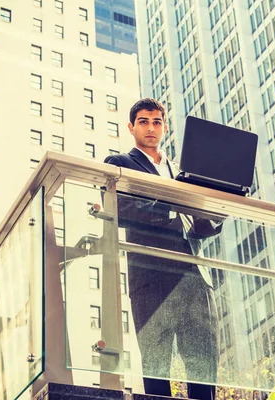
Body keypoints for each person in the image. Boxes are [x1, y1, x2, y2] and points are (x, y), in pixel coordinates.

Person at [104, 98, 221, 399]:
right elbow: (121, 207)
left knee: (203, 364)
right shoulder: (120, 163)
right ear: (131, 127)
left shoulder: (183, 173)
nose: (151, 128)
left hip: (195, 276)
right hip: (152, 275)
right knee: (156, 365)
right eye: (143, 121)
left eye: (157, 122)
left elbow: (199, 228)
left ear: (165, 127)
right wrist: (170, 210)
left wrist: (219, 208)